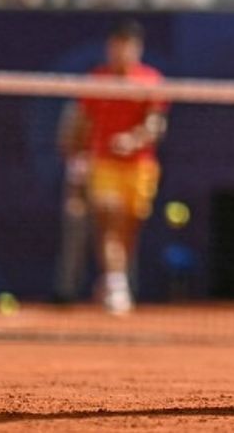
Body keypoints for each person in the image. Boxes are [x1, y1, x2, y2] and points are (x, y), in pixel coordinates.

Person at [65, 20, 167, 315]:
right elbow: (81, 123)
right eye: (117, 44)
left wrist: (134, 140)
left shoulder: (151, 80)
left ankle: (113, 278)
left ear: (137, 48)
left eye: (128, 45)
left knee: (127, 229)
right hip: (103, 163)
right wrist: (78, 159)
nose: (122, 51)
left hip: (140, 167)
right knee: (109, 220)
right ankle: (117, 284)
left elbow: (155, 123)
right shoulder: (96, 81)